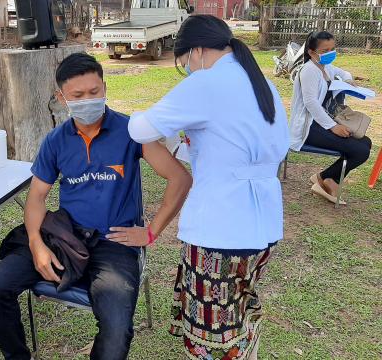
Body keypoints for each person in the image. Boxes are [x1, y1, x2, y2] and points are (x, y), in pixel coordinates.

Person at [0, 53, 192, 360]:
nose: (87, 100)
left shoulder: (131, 131)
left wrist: (150, 233)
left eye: (94, 92)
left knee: (117, 327)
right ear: (61, 97)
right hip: (65, 236)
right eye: (77, 96)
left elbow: (179, 178)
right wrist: (36, 243)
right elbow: (37, 197)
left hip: (114, 243)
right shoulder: (55, 141)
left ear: (105, 87)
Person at [118, 15, 289, 360]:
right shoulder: (261, 84)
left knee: (211, 336)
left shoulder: (208, 83)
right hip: (264, 224)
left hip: (220, 230)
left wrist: (137, 113)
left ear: (195, 50)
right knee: (240, 311)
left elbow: (141, 129)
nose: (188, 71)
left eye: (183, 64)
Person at [289, 31, 372, 204]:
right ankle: (327, 180)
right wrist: (333, 127)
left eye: (332, 49)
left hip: (323, 124)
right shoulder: (309, 71)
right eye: (325, 50)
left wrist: (348, 80)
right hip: (310, 128)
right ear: (312, 52)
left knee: (366, 143)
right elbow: (311, 103)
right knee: (361, 151)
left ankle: (326, 178)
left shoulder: (325, 68)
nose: (330, 53)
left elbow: (344, 72)